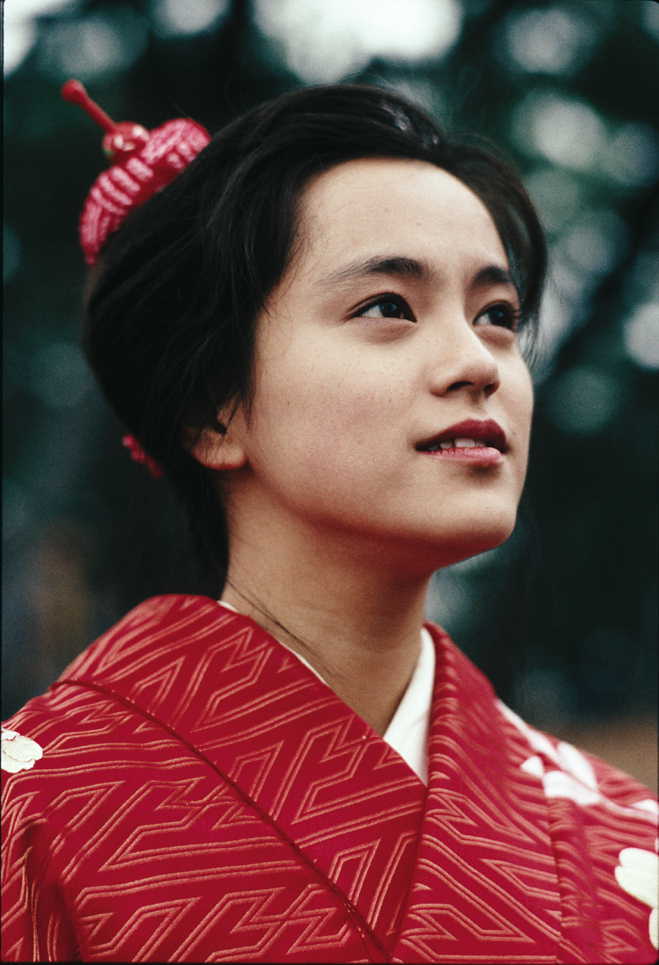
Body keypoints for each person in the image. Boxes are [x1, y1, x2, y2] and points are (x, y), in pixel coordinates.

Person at [2, 82, 656, 964]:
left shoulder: (629, 841)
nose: (477, 362)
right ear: (212, 408)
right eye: (387, 306)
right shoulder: (35, 815)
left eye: (497, 317)